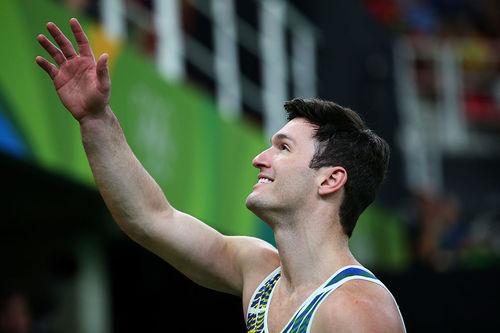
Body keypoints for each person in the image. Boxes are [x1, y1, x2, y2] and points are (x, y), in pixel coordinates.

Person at [36, 18, 406, 332]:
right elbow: (151, 218)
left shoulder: (356, 309)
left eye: (283, 148)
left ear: (330, 180)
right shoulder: (260, 272)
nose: (259, 159)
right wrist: (95, 119)